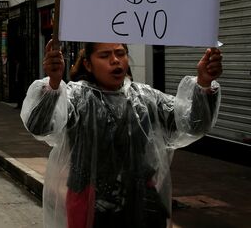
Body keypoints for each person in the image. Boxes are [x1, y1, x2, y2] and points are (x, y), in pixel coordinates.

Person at [21, 42, 222, 228]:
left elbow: (192, 125)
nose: (115, 60)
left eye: (120, 53)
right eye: (105, 55)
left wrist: (203, 84)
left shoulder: (145, 98)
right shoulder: (76, 97)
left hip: (141, 201)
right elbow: (40, 126)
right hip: (90, 203)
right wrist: (54, 84)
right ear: (88, 64)